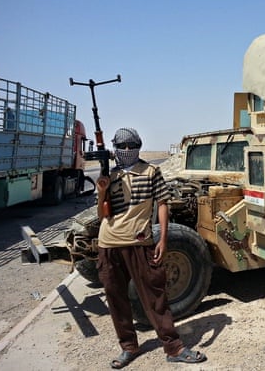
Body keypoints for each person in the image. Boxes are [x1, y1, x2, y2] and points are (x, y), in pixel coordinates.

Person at [96, 127, 207, 368]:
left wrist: (163, 239)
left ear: (138, 146)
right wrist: (102, 190)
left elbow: (163, 203)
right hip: (108, 244)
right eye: (122, 146)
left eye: (131, 146)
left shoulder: (150, 172)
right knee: (116, 298)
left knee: (155, 297)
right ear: (115, 149)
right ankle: (128, 346)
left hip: (139, 243)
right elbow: (102, 214)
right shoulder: (109, 176)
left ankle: (174, 347)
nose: (127, 150)